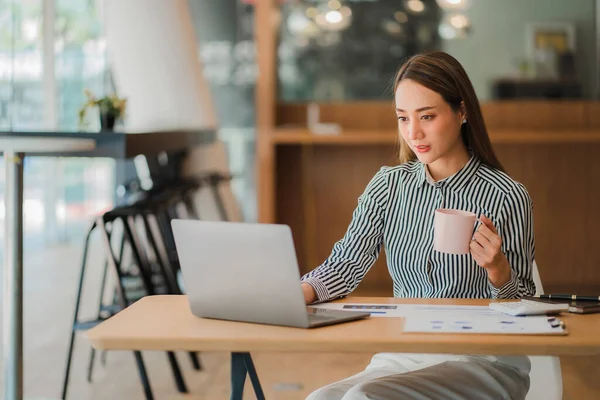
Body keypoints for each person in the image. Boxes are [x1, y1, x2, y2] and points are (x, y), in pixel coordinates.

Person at [301, 51, 536, 400]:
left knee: (364, 398)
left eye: (427, 116)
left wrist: (499, 271)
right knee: (321, 398)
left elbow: (524, 307)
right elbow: (344, 266)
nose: (414, 133)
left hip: (483, 358)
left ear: (462, 111)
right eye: (403, 118)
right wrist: (292, 296)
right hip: (406, 352)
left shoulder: (507, 196)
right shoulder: (388, 185)